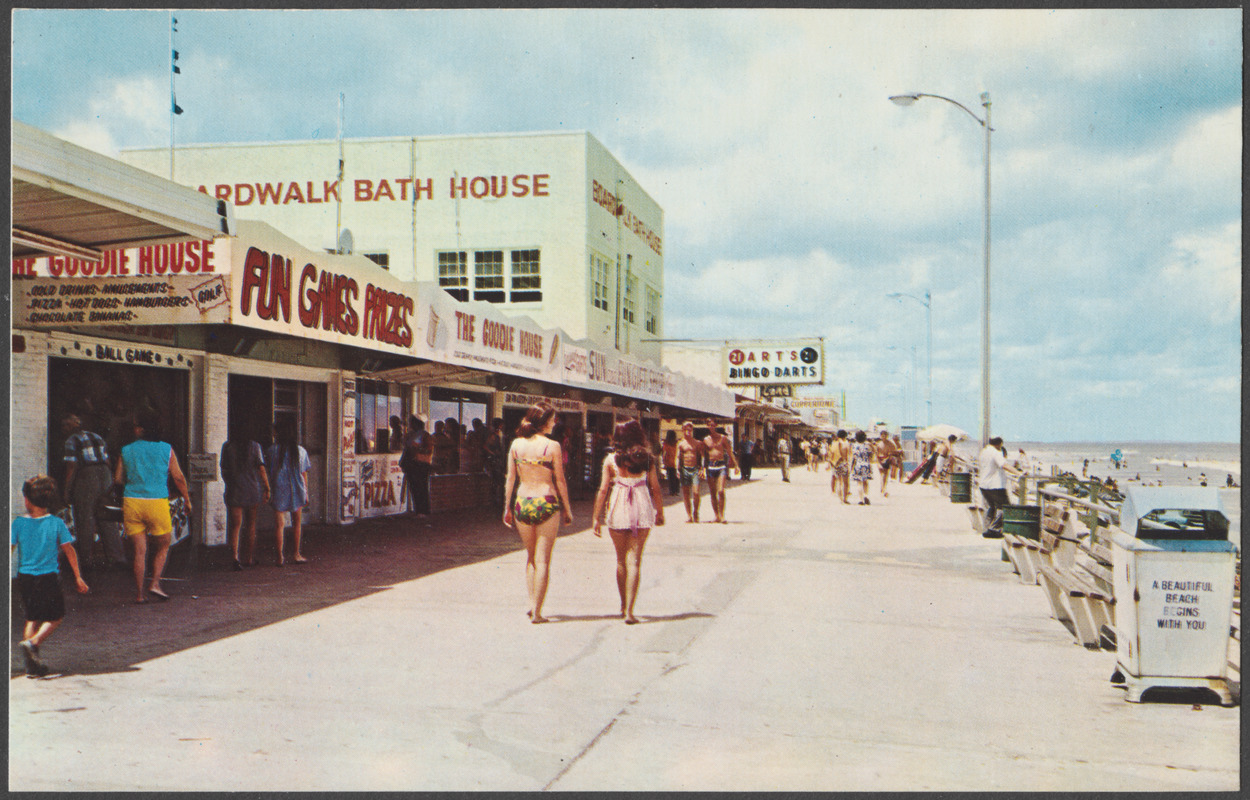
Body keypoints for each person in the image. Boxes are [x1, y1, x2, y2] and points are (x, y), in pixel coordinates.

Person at [502, 402, 573, 623]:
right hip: (546, 500)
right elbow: (559, 480)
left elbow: (510, 479)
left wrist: (506, 507)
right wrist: (567, 508)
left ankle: (531, 603)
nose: (555, 423)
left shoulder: (516, 444)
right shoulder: (552, 446)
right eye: (552, 419)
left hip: (523, 501)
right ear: (544, 422)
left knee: (531, 557)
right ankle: (538, 612)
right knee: (543, 560)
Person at [12, 475, 90, 676]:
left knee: (32, 617)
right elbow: (69, 550)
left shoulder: (18, 523)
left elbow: (9, 548)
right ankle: (33, 643)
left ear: (27, 499)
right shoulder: (56, 523)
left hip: (25, 578)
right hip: (48, 577)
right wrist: (78, 576)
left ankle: (32, 662)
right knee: (56, 616)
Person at [592, 419, 665, 624]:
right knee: (635, 560)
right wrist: (659, 512)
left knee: (620, 560)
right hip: (641, 504)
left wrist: (596, 517)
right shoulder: (647, 458)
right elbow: (656, 488)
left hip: (618, 505)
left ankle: (623, 605)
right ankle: (631, 611)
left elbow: (603, 489)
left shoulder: (610, 460)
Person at [115, 410, 192, 603]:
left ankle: (140, 595)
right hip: (157, 502)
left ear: (141, 429)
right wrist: (187, 500)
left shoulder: (126, 449)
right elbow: (178, 477)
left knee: (139, 551)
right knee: (164, 544)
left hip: (132, 501)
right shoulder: (166, 449)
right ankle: (155, 583)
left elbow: (117, 479)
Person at [61, 413, 126, 572]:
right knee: (108, 516)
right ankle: (117, 558)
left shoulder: (71, 440)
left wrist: (67, 490)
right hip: (105, 474)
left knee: (85, 518)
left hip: (87, 476)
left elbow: (71, 467)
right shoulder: (97, 437)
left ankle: (86, 561)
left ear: (70, 427)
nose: (63, 429)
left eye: (65, 426)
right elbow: (108, 461)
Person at [220, 421, 271, 570]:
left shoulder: (227, 446)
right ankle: (248, 558)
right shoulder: (255, 446)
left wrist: (230, 482)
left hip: (235, 489)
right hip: (252, 489)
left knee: (235, 526)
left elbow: (224, 469)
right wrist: (267, 487)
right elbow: (261, 469)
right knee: (251, 525)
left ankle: (235, 558)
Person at [265, 419, 311, 566]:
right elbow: (304, 474)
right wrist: (306, 493)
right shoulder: (301, 451)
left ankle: (279, 557)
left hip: (278, 489)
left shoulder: (271, 450)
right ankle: (296, 554)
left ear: (278, 433)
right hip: (298, 489)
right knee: (297, 523)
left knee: (279, 525)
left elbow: (268, 471)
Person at [977, 436, 1017, 538]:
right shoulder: (996, 452)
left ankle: (986, 528)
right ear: (999, 444)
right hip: (995, 485)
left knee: (992, 507)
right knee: (1004, 507)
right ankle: (993, 529)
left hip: (984, 484)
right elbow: (1004, 465)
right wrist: (1019, 473)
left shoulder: (984, 452)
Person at [702, 418, 738, 524]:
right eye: (709, 425)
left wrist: (736, 465)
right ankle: (716, 515)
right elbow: (704, 455)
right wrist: (703, 468)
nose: (711, 427)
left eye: (713, 425)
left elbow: (729, 451)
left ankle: (722, 515)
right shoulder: (706, 439)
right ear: (707, 426)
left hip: (721, 465)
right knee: (713, 492)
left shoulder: (723, 438)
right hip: (710, 466)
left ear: (716, 426)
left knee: (721, 491)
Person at [401, 415, 432, 517]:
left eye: (412, 423)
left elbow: (428, 450)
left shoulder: (423, 435)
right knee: (415, 488)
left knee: (421, 487)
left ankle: (423, 510)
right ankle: (419, 510)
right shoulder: (411, 435)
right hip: (413, 464)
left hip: (420, 463)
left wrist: (416, 449)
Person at [676, 422, 705, 522]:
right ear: (683, 430)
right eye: (685, 430)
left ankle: (696, 512)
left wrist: (702, 468)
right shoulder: (680, 444)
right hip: (684, 469)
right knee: (686, 493)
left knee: (696, 493)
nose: (688, 432)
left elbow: (702, 456)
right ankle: (689, 515)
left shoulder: (697, 443)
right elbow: (678, 457)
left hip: (694, 470)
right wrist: (677, 469)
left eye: (689, 430)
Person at [483, 417, 506, 508]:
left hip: (498, 461)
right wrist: (494, 453)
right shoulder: (492, 435)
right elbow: (485, 446)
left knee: (498, 482)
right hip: (494, 462)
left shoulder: (498, 434)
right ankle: (494, 502)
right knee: (496, 482)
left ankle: (497, 501)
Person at [851, 431, 874, 505]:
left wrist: (852, 467)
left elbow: (853, 458)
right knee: (866, 482)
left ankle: (861, 500)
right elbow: (871, 455)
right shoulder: (867, 446)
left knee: (859, 483)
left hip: (858, 464)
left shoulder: (854, 446)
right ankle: (866, 495)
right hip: (866, 464)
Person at [828, 429, 851, 504]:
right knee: (846, 483)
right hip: (843, 463)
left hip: (836, 464)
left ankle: (840, 499)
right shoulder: (846, 444)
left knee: (839, 481)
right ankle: (845, 499)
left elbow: (830, 455)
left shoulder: (834, 444)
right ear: (845, 436)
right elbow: (847, 455)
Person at [875, 430, 897, 498]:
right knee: (882, 475)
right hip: (880, 460)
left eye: (885, 435)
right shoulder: (878, 444)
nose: (883, 437)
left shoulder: (890, 444)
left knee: (885, 476)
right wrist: (878, 462)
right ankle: (883, 489)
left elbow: (893, 452)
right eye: (882, 435)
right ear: (880, 436)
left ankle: (883, 488)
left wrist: (889, 458)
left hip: (887, 460)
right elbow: (876, 454)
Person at [662, 430, 680, 495]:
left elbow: (664, 453)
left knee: (671, 478)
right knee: (677, 478)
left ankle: (672, 491)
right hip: (676, 462)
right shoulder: (677, 443)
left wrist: (664, 462)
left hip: (669, 462)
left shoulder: (666, 443)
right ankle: (676, 491)